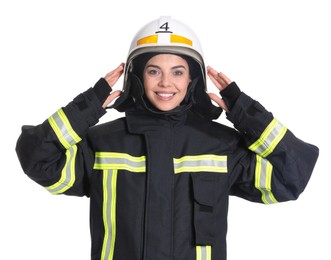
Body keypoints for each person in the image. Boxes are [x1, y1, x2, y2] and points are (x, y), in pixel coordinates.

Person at [15, 16, 319, 260]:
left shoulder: (221, 145)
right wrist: (88, 105)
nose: (165, 83)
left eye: (177, 72)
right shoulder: (103, 144)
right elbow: (36, 158)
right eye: (153, 71)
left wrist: (246, 113)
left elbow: (292, 175)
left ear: (192, 79)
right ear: (136, 76)